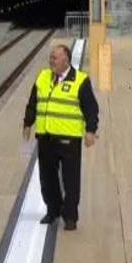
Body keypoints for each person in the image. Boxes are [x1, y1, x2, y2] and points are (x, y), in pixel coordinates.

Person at [22, 44, 99, 231]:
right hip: (46, 137)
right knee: (47, 179)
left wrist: (90, 130)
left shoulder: (81, 81)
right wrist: (27, 123)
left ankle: (70, 216)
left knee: (70, 180)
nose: (51, 61)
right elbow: (33, 102)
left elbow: (91, 108)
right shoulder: (43, 77)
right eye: (51, 57)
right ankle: (53, 210)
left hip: (69, 139)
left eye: (55, 58)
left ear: (66, 59)